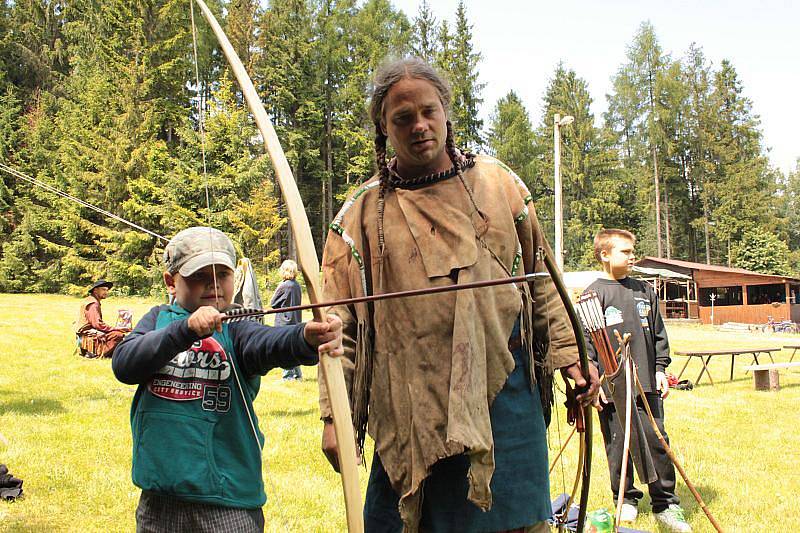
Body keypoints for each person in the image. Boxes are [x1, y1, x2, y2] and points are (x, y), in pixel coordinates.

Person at [318, 57, 599, 532]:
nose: (419, 126)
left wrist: (573, 355)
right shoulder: (360, 214)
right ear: (383, 129)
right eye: (402, 118)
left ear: (446, 112)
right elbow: (337, 324)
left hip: (501, 396)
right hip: (408, 404)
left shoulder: (497, 185)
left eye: (428, 111)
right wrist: (334, 416)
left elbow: (541, 279)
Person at [112, 226, 343, 532]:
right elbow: (125, 364)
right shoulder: (159, 320)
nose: (213, 284)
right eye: (198, 275)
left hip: (228, 500)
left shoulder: (238, 327)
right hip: (159, 499)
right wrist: (185, 330)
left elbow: (268, 343)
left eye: (222, 274)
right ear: (171, 281)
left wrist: (306, 338)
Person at [583, 229, 691, 533]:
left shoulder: (645, 291)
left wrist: (659, 369)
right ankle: (626, 499)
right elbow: (588, 347)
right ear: (604, 254)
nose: (632, 257)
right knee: (618, 446)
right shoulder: (593, 295)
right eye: (625, 252)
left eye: (633, 252)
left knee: (657, 442)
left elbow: (658, 336)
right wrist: (595, 384)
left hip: (646, 384)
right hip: (612, 388)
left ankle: (666, 504)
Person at [76, 279, 131, 358]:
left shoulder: (91, 300)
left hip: (86, 332)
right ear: (95, 290)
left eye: (107, 290)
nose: (106, 292)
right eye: (103, 290)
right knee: (118, 335)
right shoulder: (93, 304)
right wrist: (116, 329)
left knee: (117, 334)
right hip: (87, 333)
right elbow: (97, 324)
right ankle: (96, 353)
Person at [271, 259, 304, 381]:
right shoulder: (297, 285)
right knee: (294, 349)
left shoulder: (284, 285)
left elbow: (273, 303)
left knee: (284, 350)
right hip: (295, 320)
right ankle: (298, 375)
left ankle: (288, 376)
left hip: (284, 321)